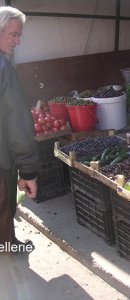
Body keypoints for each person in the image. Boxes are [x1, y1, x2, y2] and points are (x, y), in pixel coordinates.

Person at [0, 6, 40, 251]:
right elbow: (17, 124)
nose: (18, 40)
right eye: (13, 34)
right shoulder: (4, 70)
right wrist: (27, 171)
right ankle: (7, 250)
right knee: (3, 212)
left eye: (19, 35)